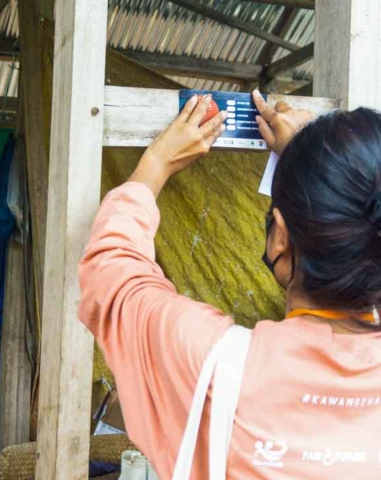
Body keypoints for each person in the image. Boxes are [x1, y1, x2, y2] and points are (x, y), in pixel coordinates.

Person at [79, 91, 381, 478]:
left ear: (281, 239)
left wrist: (155, 165)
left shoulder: (211, 365)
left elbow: (112, 275)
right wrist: (319, 169)